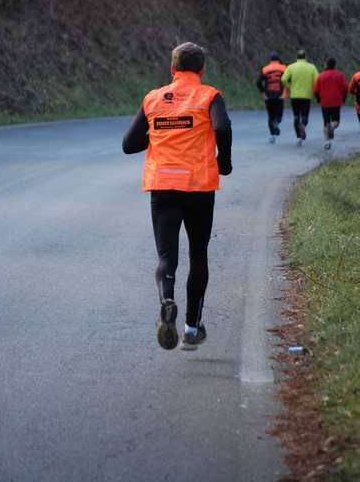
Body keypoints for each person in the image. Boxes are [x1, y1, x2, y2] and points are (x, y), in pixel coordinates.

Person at [122, 42, 233, 351]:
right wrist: (225, 160)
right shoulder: (209, 95)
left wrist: (161, 132)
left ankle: (166, 302)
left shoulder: (153, 99)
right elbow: (222, 127)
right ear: (202, 69)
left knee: (166, 257)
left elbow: (128, 144)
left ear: (172, 69)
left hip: (163, 188)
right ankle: (191, 328)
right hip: (199, 188)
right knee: (198, 254)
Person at [281, 49, 319, 146]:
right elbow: (317, 81)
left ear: (296, 57)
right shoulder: (312, 67)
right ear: (306, 57)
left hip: (294, 95)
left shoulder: (291, 67)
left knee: (296, 116)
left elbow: (283, 79)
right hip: (306, 95)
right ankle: (303, 124)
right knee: (304, 116)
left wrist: (289, 88)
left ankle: (298, 138)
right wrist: (314, 91)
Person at [313, 57, 348, 149]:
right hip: (336, 101)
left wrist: (318, 99)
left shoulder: (321, 76)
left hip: (325, 101)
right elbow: (345, 87)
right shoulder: (339, 75)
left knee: (325, 122)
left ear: (326, 65)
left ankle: (327, 142)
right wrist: (343, 97)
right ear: (335, 65)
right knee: (336, 121)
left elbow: (315, 90)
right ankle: (332, 127)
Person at [256, 51, 287, 143]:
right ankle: (276, 122)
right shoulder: (284, 68)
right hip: (279, 95)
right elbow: (288, 80)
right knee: (279, 116)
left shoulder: (265, 69)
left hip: (268, 95)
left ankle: (272, 135)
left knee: (270, 116)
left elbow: (258, 82)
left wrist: (263, 91)